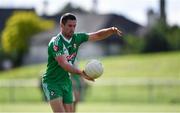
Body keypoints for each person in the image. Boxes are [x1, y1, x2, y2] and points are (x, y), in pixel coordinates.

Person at [42, 13, 122, 113]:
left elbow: (96, 35)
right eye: (69, 26)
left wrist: (111, 30)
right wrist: (82, 73)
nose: (72, 28)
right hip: (52, 82)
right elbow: (64, 64)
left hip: (66, 81)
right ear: (62, 25)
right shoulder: (56, 43)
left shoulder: (77, 38)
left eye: (74, 26)